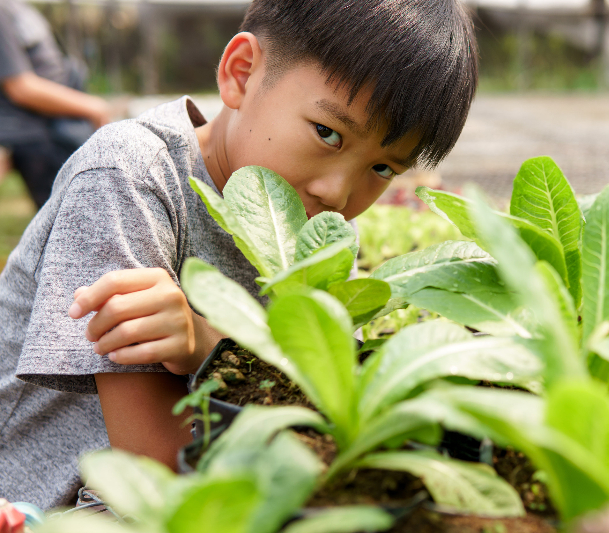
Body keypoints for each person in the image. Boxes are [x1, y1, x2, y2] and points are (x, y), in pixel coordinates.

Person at [0, 0, 478, 510]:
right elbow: (157, 469)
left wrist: (212, 341)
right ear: (242, 73)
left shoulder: (323, 230)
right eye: (328, 133)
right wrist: (237, 358)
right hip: (51, 508)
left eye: (382, 169)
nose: (338, 193)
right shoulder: (130, 176)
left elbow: (332, 402)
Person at [0, 0, 110, 208]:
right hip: (36, 134)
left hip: (58, 126)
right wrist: (92, 107)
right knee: (72, 216)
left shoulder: (18, 7)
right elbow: (20, 87)